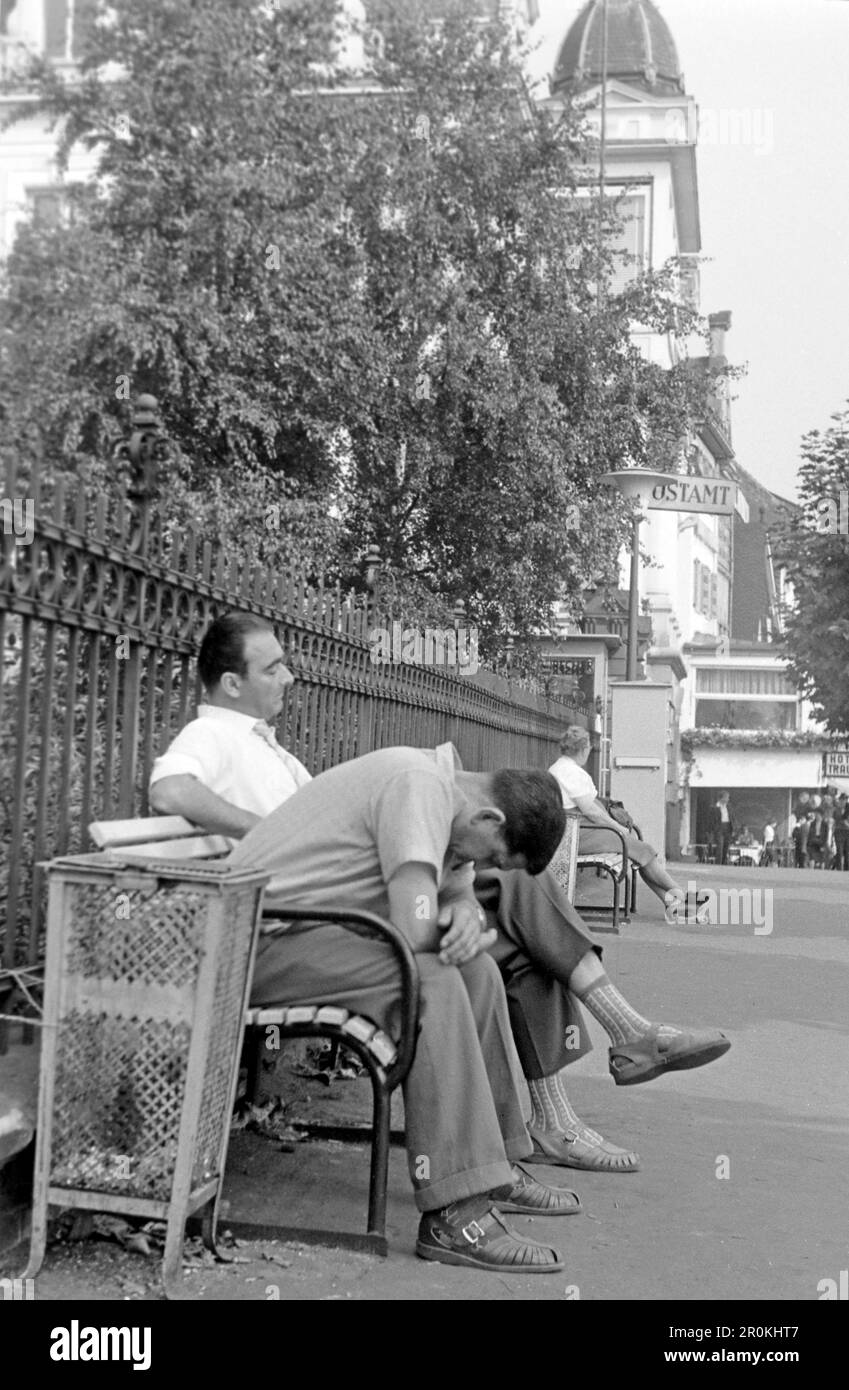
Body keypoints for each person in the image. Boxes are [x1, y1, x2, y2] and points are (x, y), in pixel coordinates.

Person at [151, 616, 731, 1180]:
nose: (289, 677)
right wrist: (268, 832)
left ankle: (556, 1111)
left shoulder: (272, 748)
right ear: (232, 683)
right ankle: (611, 1046)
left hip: (348, 896)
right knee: (515, 885)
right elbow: (170, 789)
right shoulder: (212, 733)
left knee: (510, 936)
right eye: (274, 667)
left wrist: (455, 908)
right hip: (292, 910)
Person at [548, 727, 700, 915]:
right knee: (642, 850)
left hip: (571, 831)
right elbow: (591, 810)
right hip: (576, 834)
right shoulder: (571, 772)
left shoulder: (559, 768)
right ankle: (683, 898)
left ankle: (673, 901)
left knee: (640, 852)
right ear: (584, 749)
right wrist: (617, 827)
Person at [707, 791, 734, 866]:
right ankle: (718, 863)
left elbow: (732, 817)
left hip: (727, 826)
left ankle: (723, 862)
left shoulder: (729, 806)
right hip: (719, 828)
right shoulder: (714, 807)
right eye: (727, 797)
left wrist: (733, 828)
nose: (728, 799)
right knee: (720, 845)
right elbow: (711, 820)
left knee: (726, 846)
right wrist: (711, 830)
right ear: (722, 798)